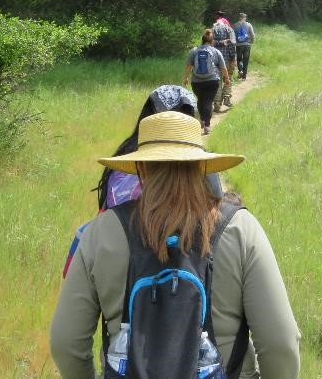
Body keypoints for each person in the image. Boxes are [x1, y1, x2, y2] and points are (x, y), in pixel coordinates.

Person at [50, 112, 301, 379]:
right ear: (201, 166)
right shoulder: (240, 229)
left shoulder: (101, 232)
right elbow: (281, 344)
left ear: (140, 169)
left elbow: (66, 343)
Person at [63, 86, 223, 278]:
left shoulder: (125, 157)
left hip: (122, 253)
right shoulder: (202, 165)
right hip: (190, 261)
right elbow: (216, 212)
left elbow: (104, 209)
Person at [182, 29, 230, 135]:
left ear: (202, 41)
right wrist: (227, 79)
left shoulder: (194, 51)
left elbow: (189, 66)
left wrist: (185, 78)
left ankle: (203, 120)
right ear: (212, 41)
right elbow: (223, 68)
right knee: (208, 101)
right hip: (212, 81)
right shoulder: (216, 51)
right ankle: (207, 125)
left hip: (196, 82)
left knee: (201, 99)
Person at [210, 12, 237, 109]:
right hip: (227, 60)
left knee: (217, 81)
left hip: (215, 60)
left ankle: (216, 104)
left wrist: (219, 43)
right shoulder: (229, 29)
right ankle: (226, 98)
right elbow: (233, 44)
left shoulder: (212, 30)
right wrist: (234, 59)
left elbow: (209, 44)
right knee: (227, 78)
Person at [234, 12, 256, 80]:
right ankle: (244, 77)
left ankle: (240, 70)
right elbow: (252, 35)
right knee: (246, 60)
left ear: (239, 17)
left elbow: (233, 35)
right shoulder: (249, 25)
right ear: (245, 18)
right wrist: (251, 42)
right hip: (247, 45)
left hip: (239, 45)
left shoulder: (235, 25)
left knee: (239, 59)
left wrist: (234, 43)